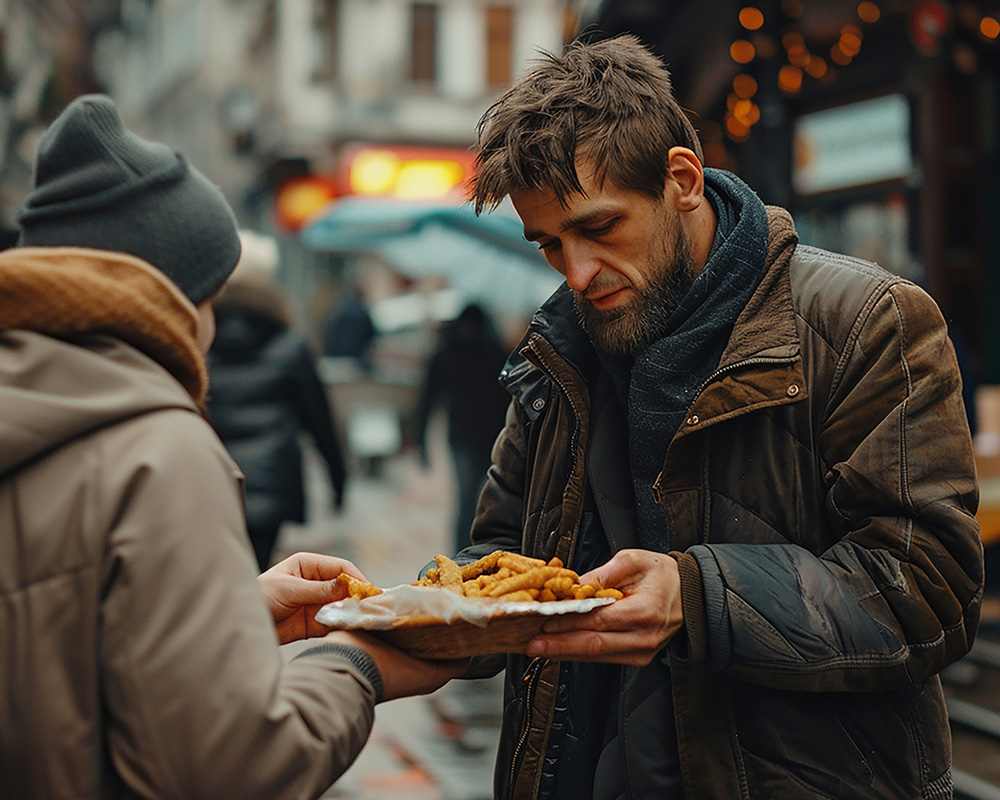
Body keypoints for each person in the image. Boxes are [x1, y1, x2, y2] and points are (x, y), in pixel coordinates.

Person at [460, 35, 984, 799]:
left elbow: (926, 587)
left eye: (600, 228)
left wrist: (696, 595)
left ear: (681, 179)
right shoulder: (559, 349)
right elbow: (500, 555)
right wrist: (397, 620)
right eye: (549, 244)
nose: (576, 272)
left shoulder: (868, 322)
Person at [0, 94, 462, 799]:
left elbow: (52, 662)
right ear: (178, 297)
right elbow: (234, 768)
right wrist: (354, 663)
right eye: (213, 295)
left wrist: (232, 614)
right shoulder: (156, 449)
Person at [208, 229, 347, 570]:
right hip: (272, 483)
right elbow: (320, 419)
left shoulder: (200, 342)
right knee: (259, 575)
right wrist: (338, 480)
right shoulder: (290, 344)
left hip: (214, 484)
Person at [415, 302, 512, 552]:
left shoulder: (496, 352)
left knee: (492, 501)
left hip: (493, 439)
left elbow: (509, 397)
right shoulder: (447, 353)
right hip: (462, 440)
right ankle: (462, 554)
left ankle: (483, 550)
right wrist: (420, 442)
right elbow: (428, 398)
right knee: (468, 500)